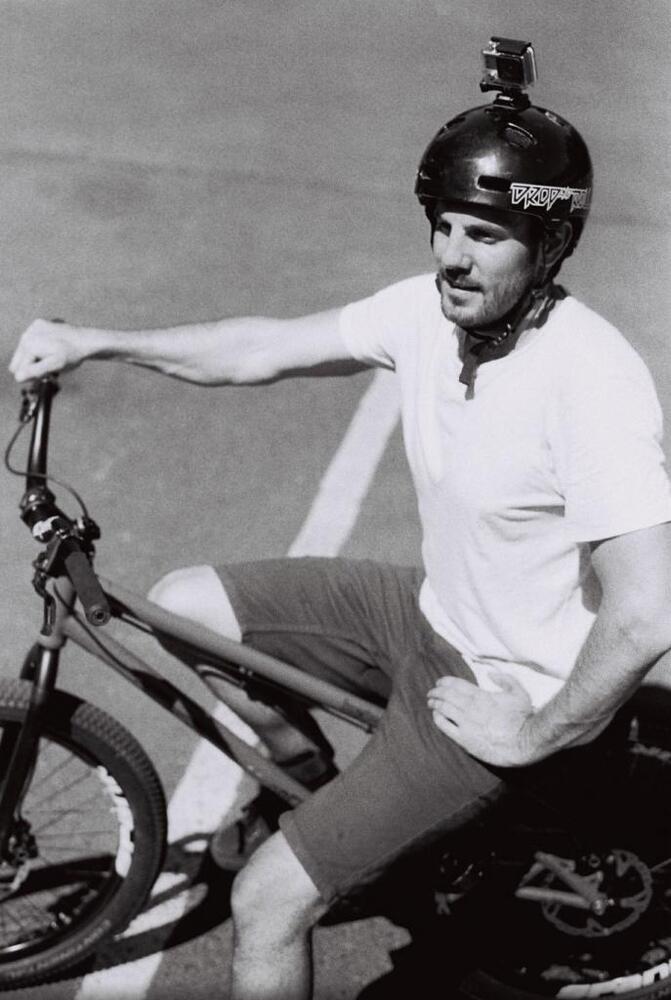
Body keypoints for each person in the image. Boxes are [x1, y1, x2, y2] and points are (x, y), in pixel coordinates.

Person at [9, 64, 671, 1000]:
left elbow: (645, 612)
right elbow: (262, 348)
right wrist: (100, 341)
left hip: (500, 684)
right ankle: (307, 779)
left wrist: (532, 733)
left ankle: (332, 842)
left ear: (550, 242)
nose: (452, 256)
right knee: (185, 606)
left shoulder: (589, 383)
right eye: (443, 225)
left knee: (266, 902)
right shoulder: (429, 313)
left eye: (484, 235)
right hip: (431, 615)